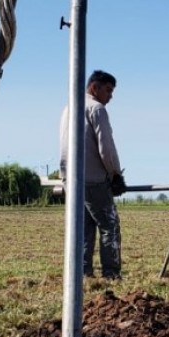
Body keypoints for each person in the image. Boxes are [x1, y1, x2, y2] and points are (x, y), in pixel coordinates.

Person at [59, 69, 125, 280]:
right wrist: (115, 174)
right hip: (94, 178)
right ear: (94, 87)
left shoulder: (70, 108)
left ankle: (83, 273)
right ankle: (111, 274)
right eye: (108, 90)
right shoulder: (97, 109)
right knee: (109, 226)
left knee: (84, 229)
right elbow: (106, 147)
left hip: (72, 179)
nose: (110, 96)